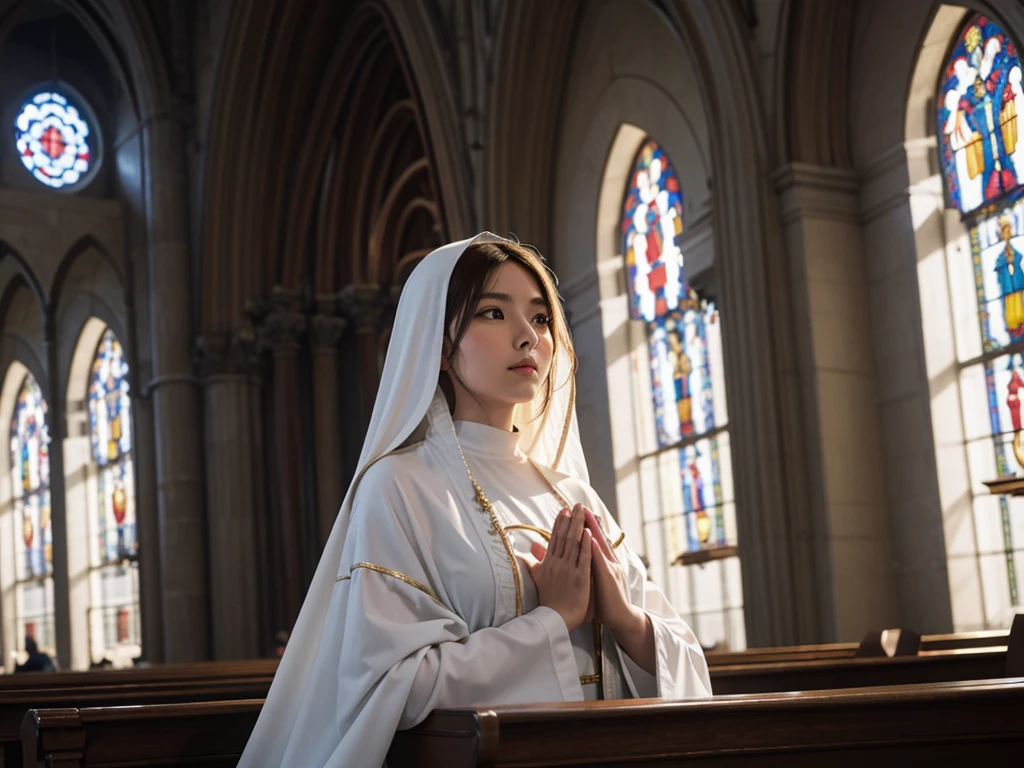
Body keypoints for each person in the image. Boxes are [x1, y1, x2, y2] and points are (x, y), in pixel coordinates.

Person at [239, 233, 711, 767]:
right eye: (493, 312)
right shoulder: (397, 487)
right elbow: (397, 686)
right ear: (439, 347)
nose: (527, 337)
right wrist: (551, 621)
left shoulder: (573, 494)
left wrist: (625, 619)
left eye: (539, 318)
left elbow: (683, 656)